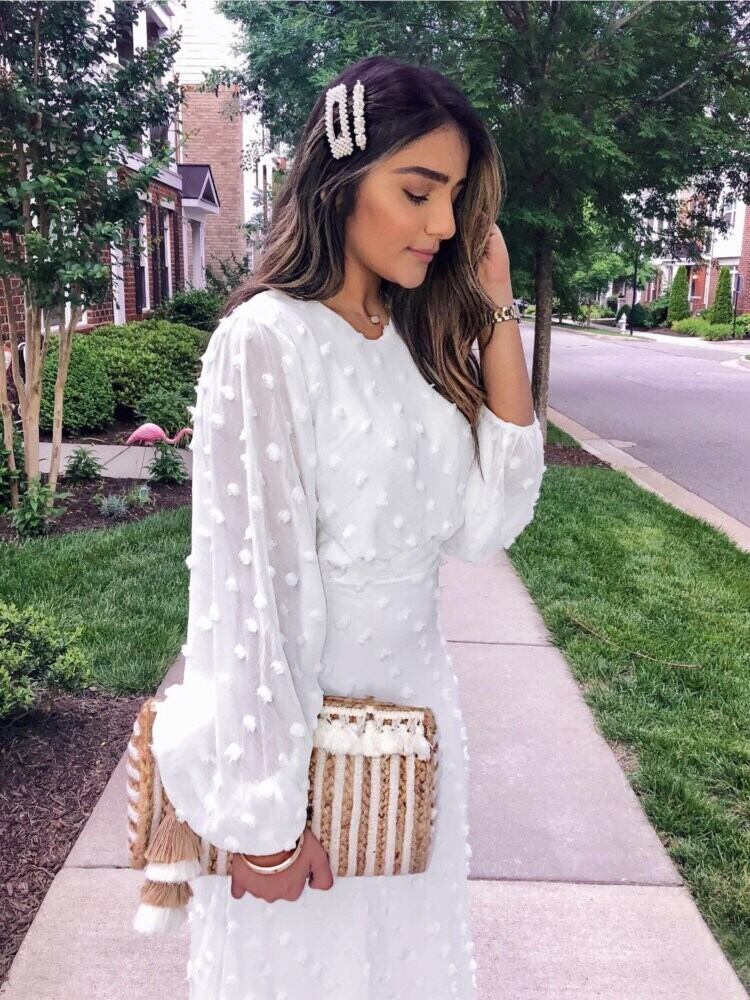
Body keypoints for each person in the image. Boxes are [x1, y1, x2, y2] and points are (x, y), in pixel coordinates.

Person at [150, 54, 546, 1000]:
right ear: (341, 180)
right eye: (417, 191)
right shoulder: (266, 340)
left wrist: (496, 311)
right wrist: (265, 820)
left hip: (414, 753)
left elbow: (488, 523)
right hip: (305, 767)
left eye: (455, 197)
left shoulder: (410, 338)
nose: (443, 224)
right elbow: (252, 594)